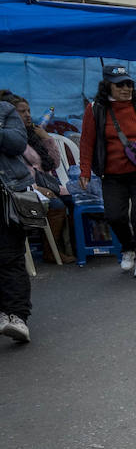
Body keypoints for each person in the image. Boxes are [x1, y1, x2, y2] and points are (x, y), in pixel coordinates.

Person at [79, 64, 136, 277]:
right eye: (119, 85)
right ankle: (128, 247)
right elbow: (86, 142)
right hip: (112, 174)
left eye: (128, 84)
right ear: (107, 86)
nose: (125, 89)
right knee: (114, 216)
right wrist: (84, 171)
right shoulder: (95, 109)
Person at [3, 90, 72, 263]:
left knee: (72, 199)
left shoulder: (32, 136)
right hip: (26, 187)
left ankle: (69, 247)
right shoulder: (12, 142)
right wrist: (36, 188)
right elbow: (18, 173)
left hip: (47, 182)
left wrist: (46, 137)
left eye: (28, 111)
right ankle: (51, 251)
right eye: (21, 111)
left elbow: (54, 163)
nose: (27, 115)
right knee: (56, 204)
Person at [0, 91, 34, 342]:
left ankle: (18, 315)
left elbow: (17, 144)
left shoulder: (5, 111)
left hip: (7, 193)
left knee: (10, 255)